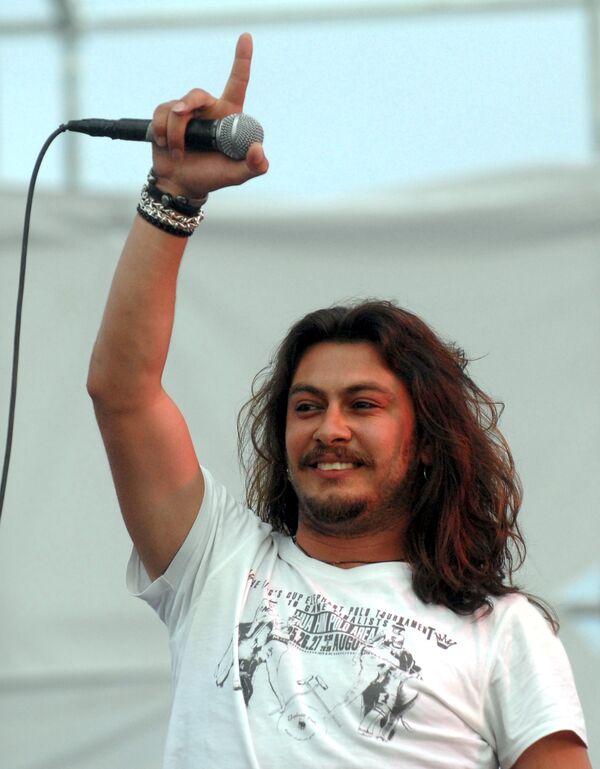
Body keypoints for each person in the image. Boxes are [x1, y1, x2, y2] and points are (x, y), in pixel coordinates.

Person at [87, 32, 591, 769]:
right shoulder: (217, 563)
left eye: (363, 404)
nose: (330, 428)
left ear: (427, 440)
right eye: (306, 406)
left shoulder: (503, 630)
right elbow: (123, 392)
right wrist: (174, 196)